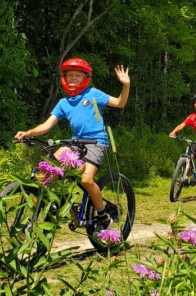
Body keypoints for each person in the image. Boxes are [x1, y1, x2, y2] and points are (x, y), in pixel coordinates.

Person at [14, 58, 130, 234]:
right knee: (49, 169)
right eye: (70, 75)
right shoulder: (63, 103)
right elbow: (47, 125)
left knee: (86, 179)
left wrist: (125, 85)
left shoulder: (93, 94)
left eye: (77, 75)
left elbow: (120, 103)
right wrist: (29, 133)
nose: (73, 79)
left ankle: (102, 215)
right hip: (76, 142)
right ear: (64, 79)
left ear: (85, 77)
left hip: (97, 142)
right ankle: (54, 203)